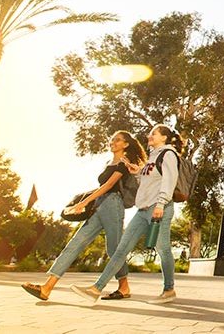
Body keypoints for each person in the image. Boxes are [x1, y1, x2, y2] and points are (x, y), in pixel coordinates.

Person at [21, 130, 146, 301]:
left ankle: (124, 287)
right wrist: (84, 202)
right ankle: (47, 288)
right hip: (100, 205)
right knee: (75, 243)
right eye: (112, 140)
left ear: (125, 144)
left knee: (114, 249)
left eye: (117, 140)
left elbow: (109, 185)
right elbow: (102, 188)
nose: (113, 142)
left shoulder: (125, 163)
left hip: (113, 205)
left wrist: (84, 202)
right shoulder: (110, 162)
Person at [70, 124, 181, 305]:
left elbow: (169, 181)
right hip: (143, 209)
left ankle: (169, 289)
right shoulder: (152, 157)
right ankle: (95, 289)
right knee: (121, 249)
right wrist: (137, 173)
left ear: (164, 138)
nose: (149, 136)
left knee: (163, 249)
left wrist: (161, 203)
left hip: (159, 208)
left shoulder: (168, 154)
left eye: (154, 134)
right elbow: (148, 183)